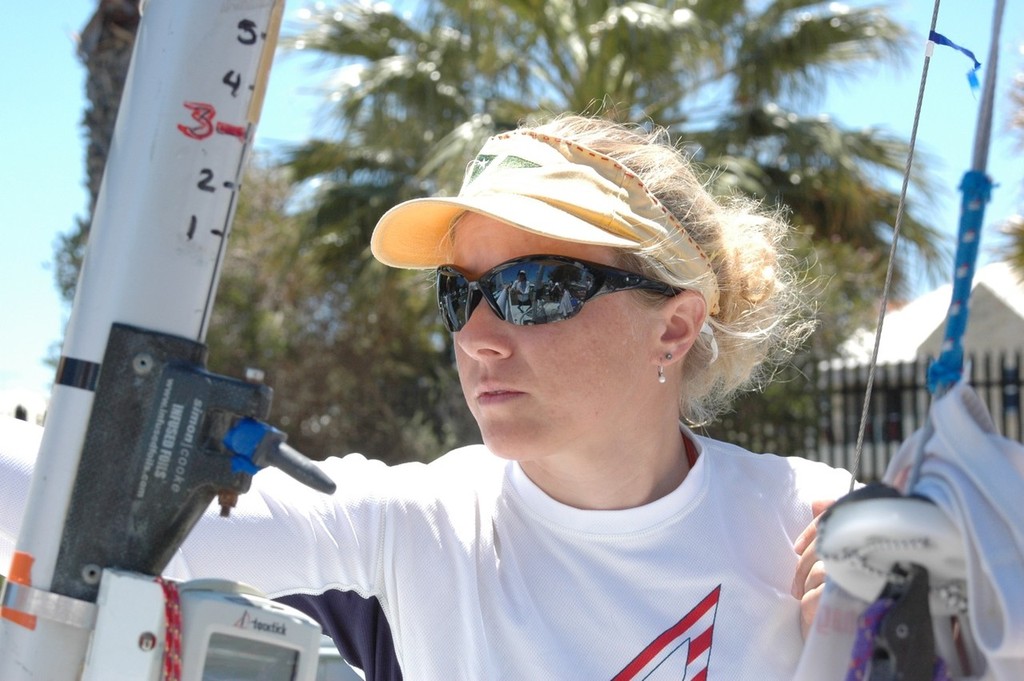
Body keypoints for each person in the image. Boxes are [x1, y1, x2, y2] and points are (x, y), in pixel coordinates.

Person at [0, 114, 851, 679]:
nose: (479, 332)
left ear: (673, 328)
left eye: (534, 288)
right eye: (461, 292)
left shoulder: (831, 526)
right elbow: (93, 501)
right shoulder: (420, 523)